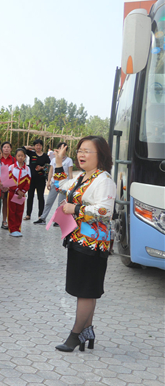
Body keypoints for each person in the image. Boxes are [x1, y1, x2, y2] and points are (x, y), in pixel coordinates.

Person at [53, 136, 115, 353]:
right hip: (78, 240)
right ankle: (88, 331)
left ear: (101, 156)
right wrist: (59, 162)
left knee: (86, 291)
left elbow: (106, 211)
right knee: (84, 290)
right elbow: (58, 185)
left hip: (93, 244)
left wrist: (76, 210)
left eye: (88, 151)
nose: (81, 154)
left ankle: (75, 335)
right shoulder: (84, 177)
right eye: (80, 150)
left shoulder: (103, 180)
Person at [35, 142, 74, 225]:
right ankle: (42, 218)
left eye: (63, 149)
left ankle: (58, 220)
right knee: (49, 201)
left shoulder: (69, 160)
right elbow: (50, 171)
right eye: (59, 148)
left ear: (66, 150)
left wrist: (71, 185)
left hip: (64, 184)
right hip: (54, 183)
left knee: (61, 203)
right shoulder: (53, 160)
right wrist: (48, 182)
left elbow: (70, 173)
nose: (61, 150)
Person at [24, 139, 51, 220]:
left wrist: (42, 168)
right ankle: (28, 214)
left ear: (42, 146)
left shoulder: (45, 156)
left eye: (40, 145)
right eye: (36, 145)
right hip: (31, 179)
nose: (38, 147)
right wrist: (31, 147)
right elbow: (22, 149)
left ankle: (40, 215)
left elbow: (49, 167)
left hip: (41, 179)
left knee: (40, 197)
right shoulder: (31, 153)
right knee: (30, 196)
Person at [7, 148, 31, 237]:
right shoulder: (11, 167)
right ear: (15, 157)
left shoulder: (27, 169)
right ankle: (12, 229)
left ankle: (18, 228)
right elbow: (9, 180)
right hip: (12, 193)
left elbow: (28, 182)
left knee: (19, 212)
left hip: (22, 195)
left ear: (25, 157)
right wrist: (17, 190)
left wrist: (23, 191)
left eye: (22, 156)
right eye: (18, 156)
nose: (20, 157)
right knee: (12, 211)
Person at [0, 141, 16, 230]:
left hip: (8, 186)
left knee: (6, 203)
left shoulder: (13, 159)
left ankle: (4, 221)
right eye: (4, 147)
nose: (6, 149)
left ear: (11, 149)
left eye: (8, 147)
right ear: (2, 148)